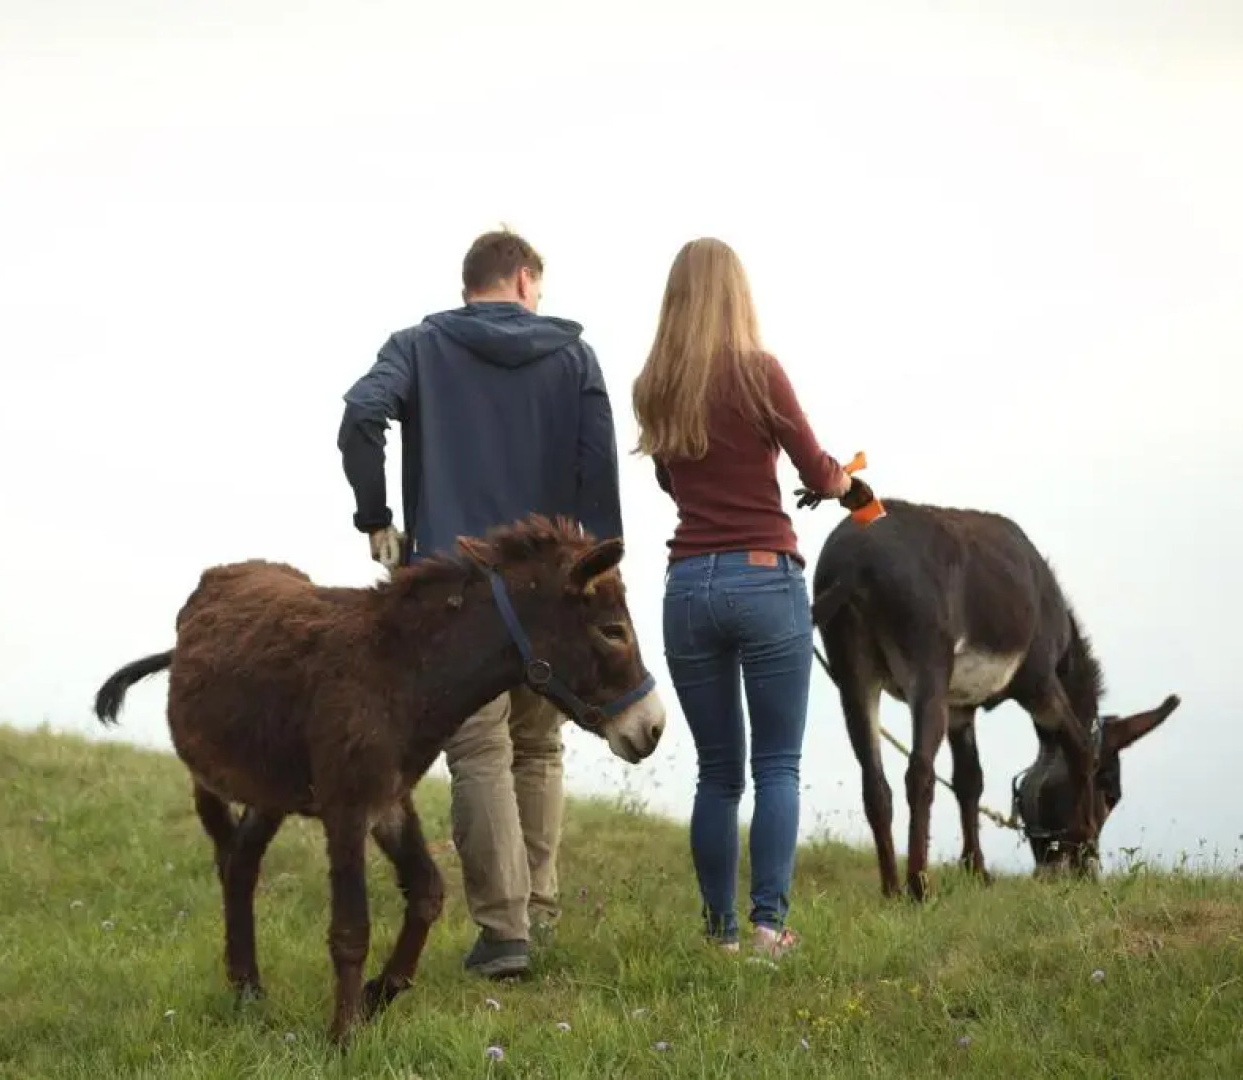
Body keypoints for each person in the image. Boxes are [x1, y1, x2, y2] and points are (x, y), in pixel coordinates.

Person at [336, 228, 623, 979]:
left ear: (473, 282)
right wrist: (597, 584)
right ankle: (539, 912)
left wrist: (376, 519)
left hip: (457, 596)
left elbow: (361, 416)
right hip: (553, 598)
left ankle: (505, 933)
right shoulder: (575, 359)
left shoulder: (417, 347)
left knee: (479, 752)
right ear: (524, 280)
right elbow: (599, 479)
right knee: (539, 747)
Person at [630, 237, 872, 960]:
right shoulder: (759, 373)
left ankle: (720, 937)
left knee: (716, 772)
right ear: (736, 294)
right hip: (764, 576)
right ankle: (769, 928)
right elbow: (819, 472)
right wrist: (846, 484)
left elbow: (671, 481)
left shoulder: (655, 385)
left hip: (686, 587)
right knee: (776, 766)